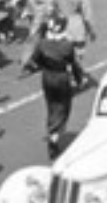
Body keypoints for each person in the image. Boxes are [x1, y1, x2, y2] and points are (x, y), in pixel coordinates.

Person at [22, 12, 87, 159]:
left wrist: (38, 66)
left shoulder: (43, 43)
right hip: (62, 78)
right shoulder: (67, 45)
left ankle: (52, 129)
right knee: (63, 108)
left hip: (47, 78)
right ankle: (55, 135)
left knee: (51, 106)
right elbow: (74, 65)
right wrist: (79, 80)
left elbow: (34, 61)